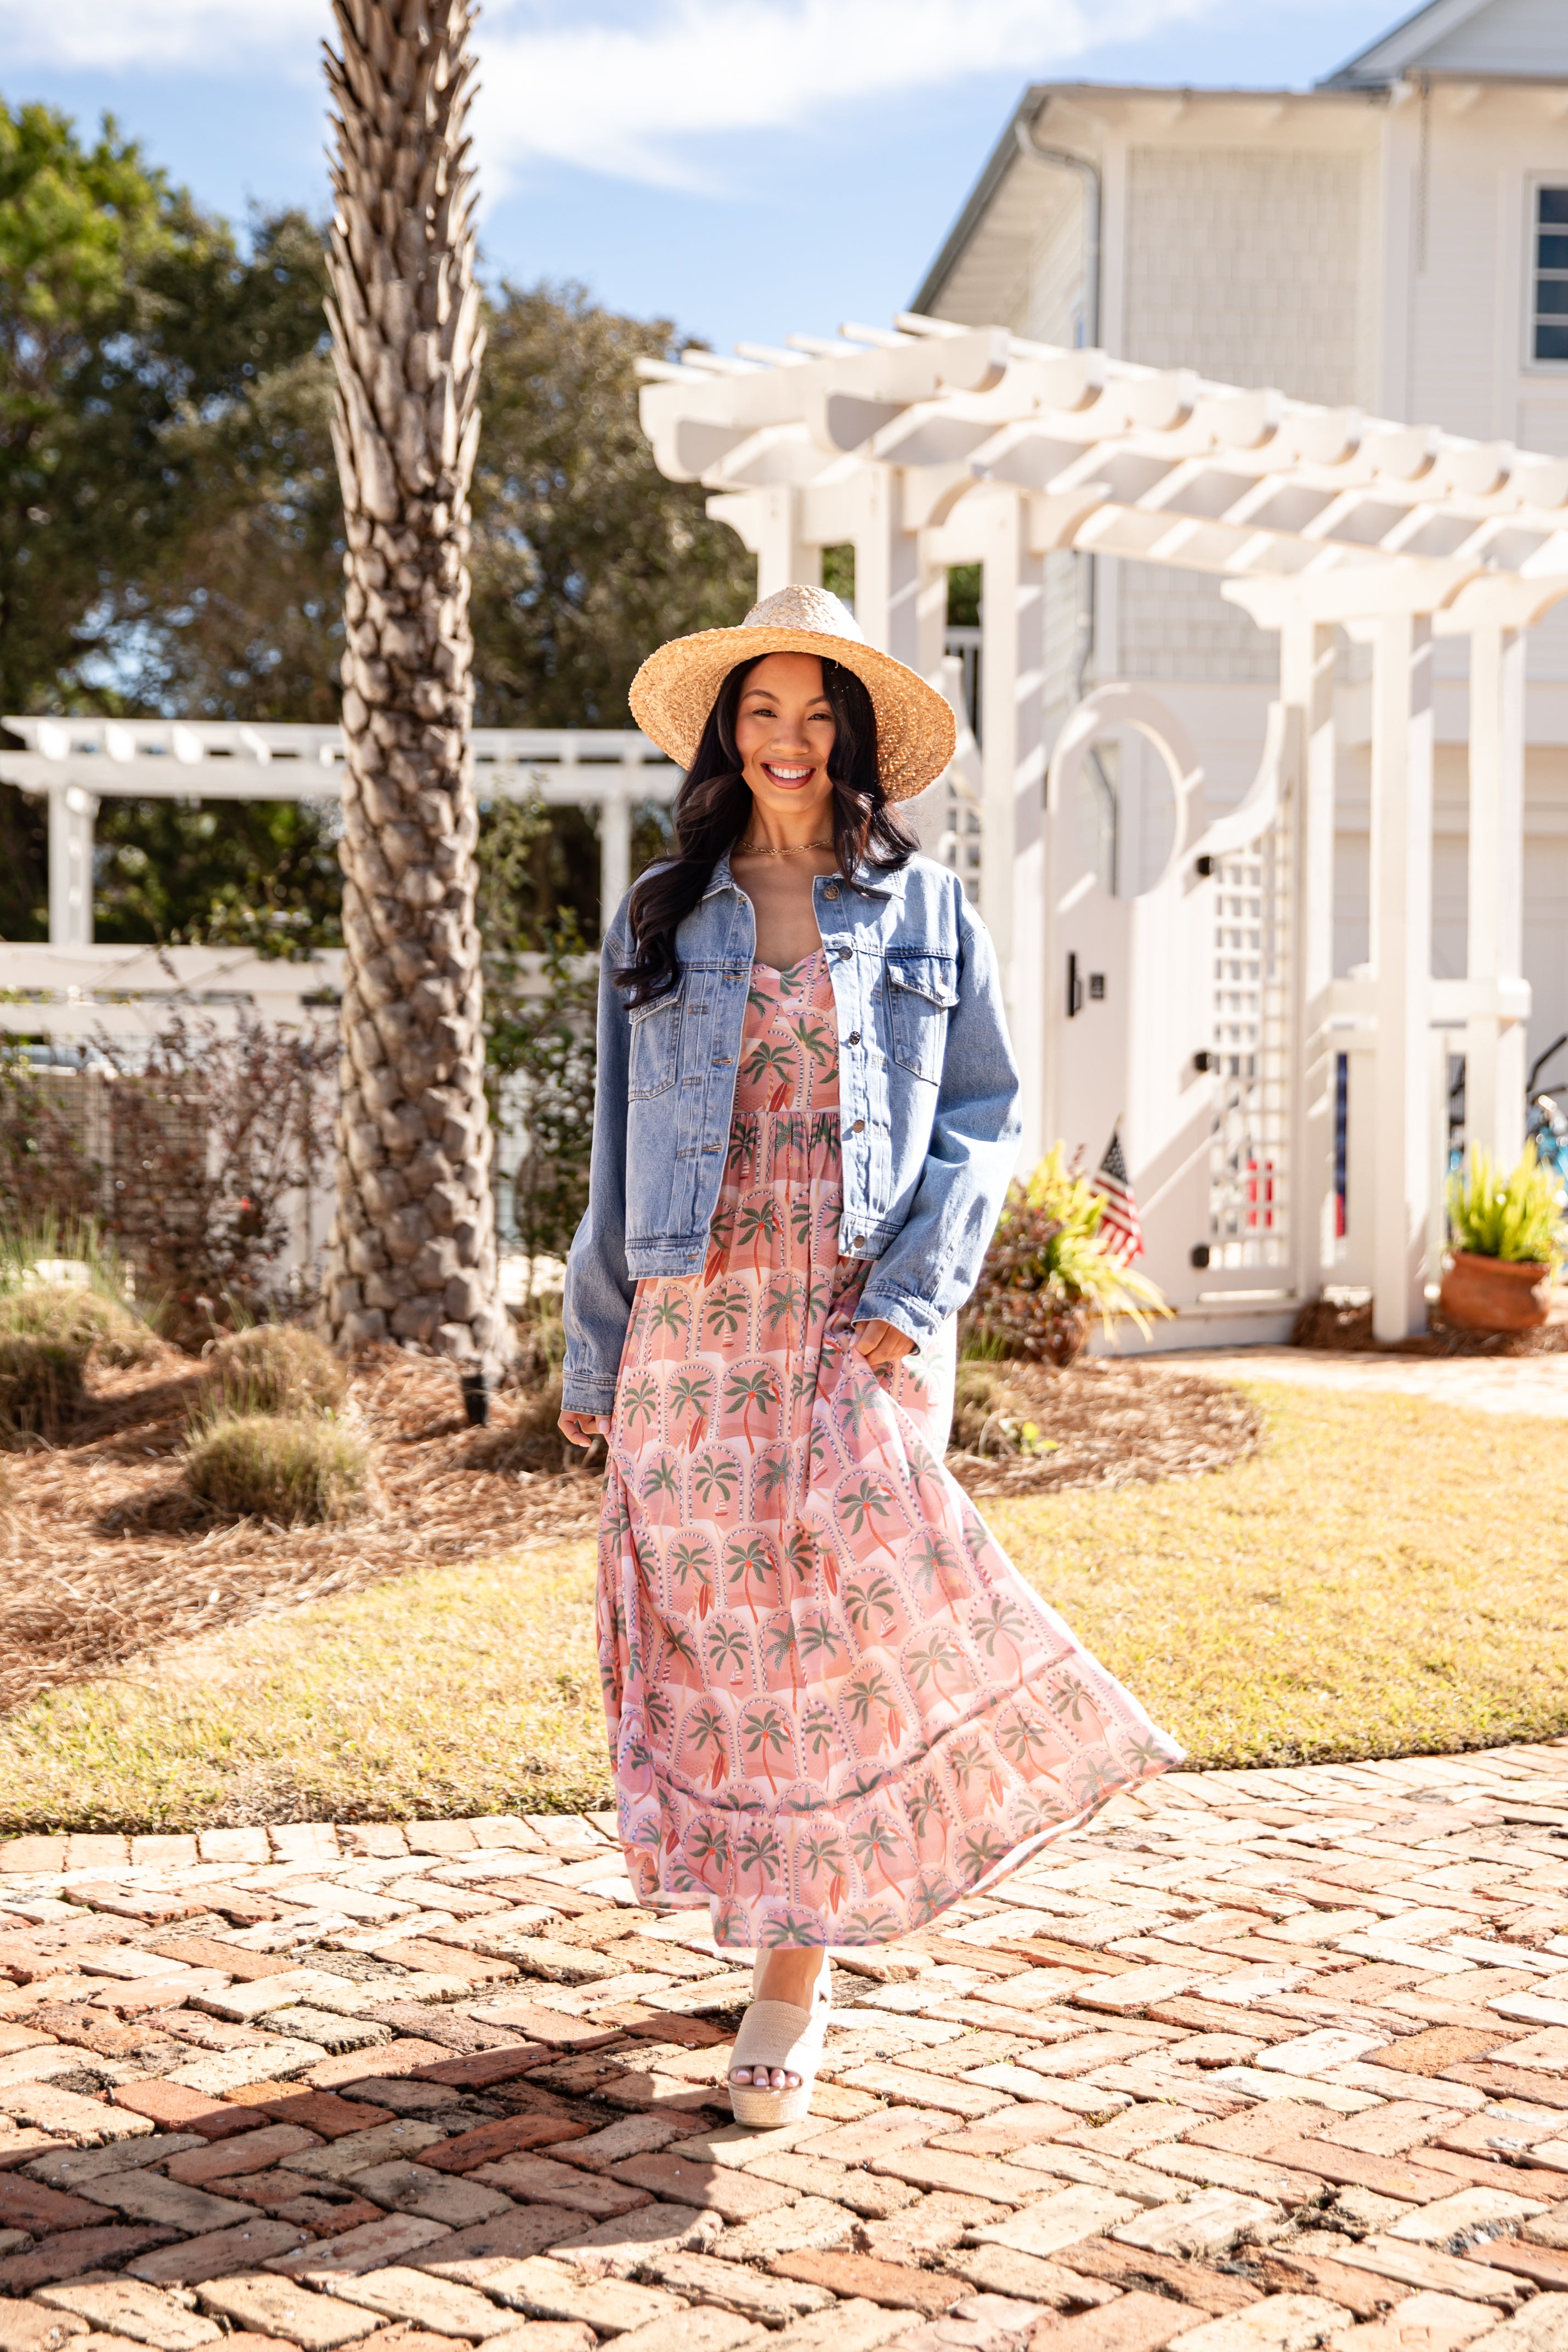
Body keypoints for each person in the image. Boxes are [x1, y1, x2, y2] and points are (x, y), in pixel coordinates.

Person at [561, 585, 1181, 2126]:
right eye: (762, 713)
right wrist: (593, 1361)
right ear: (727, 736)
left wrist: (914, 1295)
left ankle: (794, 1975)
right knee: (726, 1646)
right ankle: (780, 1917)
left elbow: (982, 1122)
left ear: (855, 740)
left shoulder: (927, 912)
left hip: (849, 1313)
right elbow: (612, 1152)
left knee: (841, 1626)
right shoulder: (658, 910)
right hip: (691, 1324)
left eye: (817, 714)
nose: (789, 739)